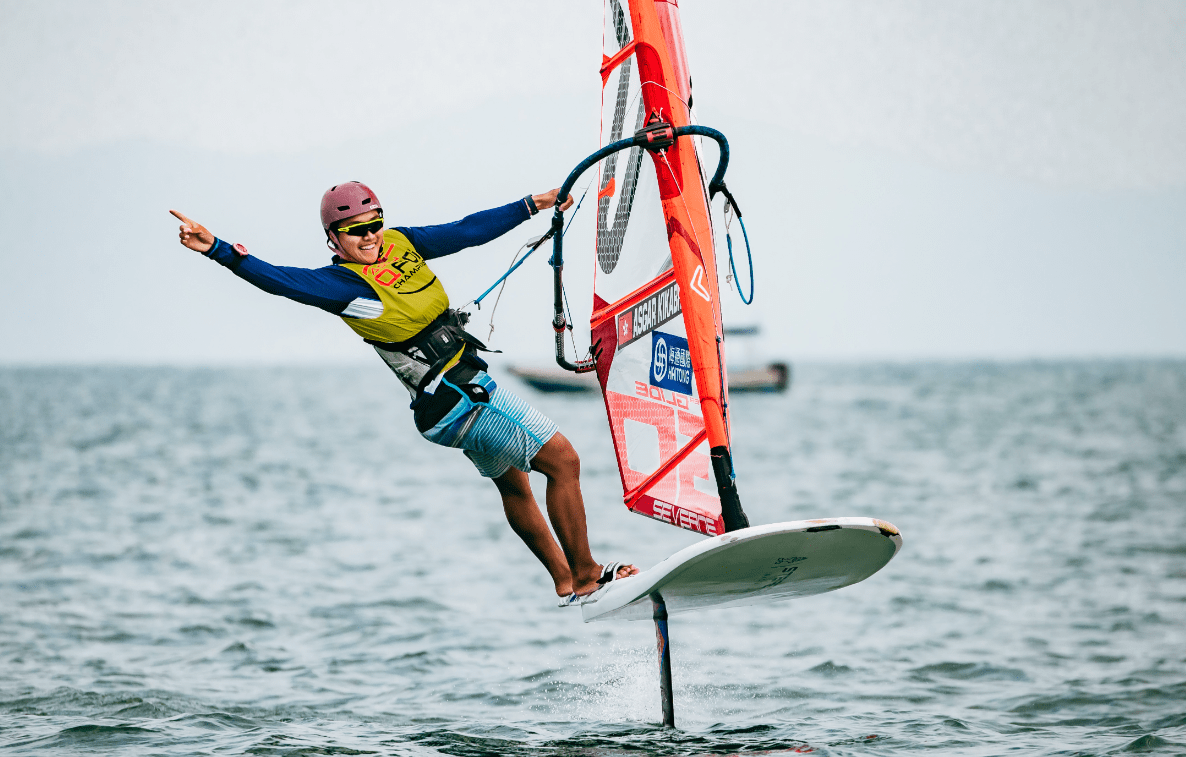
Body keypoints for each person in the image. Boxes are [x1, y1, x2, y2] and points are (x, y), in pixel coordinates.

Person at [169, 182, 637, 605]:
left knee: (513, 481)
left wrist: (531, 204)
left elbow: (464, 230)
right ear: (333, 239)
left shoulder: (400, 244)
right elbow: (278, 278)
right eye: (354, 231)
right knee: (564, 461)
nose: (368, 237)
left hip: (446, 407)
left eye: (373, 225)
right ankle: (588, 574)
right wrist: (218, 249)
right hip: (463, 398)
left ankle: (563, 580)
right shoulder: (342, 285)